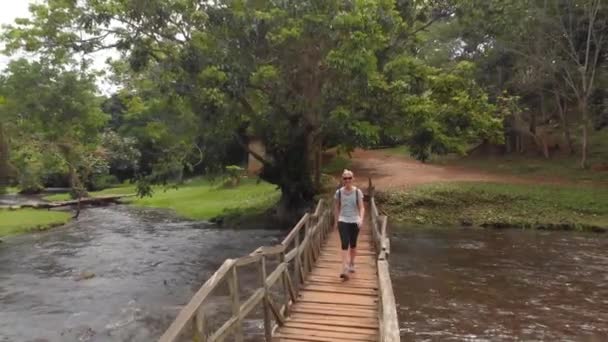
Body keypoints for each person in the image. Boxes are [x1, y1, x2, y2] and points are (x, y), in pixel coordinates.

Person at [333, 169, 365, 279]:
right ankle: (344, 268)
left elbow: (361, 207)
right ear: (342, 180)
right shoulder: (338, 193)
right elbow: (336, 207)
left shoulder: (357, 192)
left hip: (355, 220)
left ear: (353, 179)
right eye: (345, 178)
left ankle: (351, 263)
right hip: (343, 220)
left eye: (349, 178)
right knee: (344, 243)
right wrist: (336, 221)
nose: (347, 180)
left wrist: (361, 219)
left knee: (353, 244)